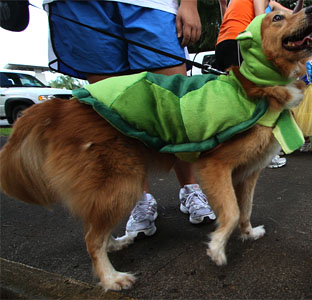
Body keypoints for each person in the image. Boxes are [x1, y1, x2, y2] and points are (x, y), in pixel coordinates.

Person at [44, 0, 216, 242]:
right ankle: (139, 198)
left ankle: (190, 189)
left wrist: (189, 3)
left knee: (174, 107)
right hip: (80, 7)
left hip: (151, 5)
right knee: (117, 116)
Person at [214, 0, 299, 168]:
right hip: (242, 40)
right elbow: (262, 23)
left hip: (224, 40)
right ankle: (258, 150)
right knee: (256, 97)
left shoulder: (268, 3)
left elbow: (292, 15)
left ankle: (226, 147)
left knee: (233, 97)